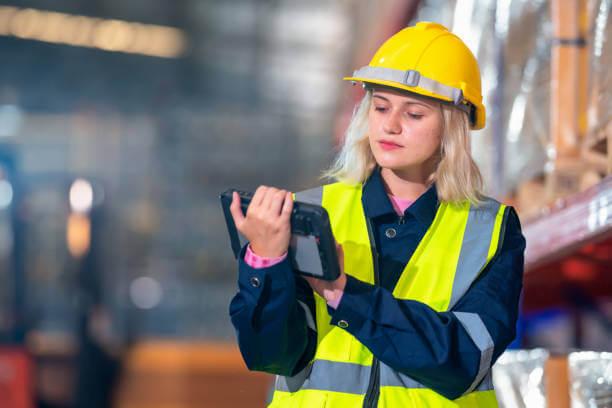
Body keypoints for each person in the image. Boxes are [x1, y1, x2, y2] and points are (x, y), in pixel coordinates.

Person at [228, 21, 525, 407]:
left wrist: (342, 293)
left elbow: (463, 360)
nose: (390, 125)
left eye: (414, 114)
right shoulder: (312, 213)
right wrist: (264, 263)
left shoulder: (491, 230)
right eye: (380, 107)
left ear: (452, 126)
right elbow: (271, 354)